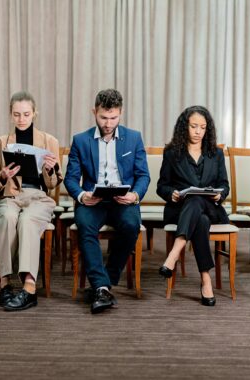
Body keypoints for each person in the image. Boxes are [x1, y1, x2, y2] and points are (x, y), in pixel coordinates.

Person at [64, 88, 150, 314]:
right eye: (103, 117)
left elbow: (143, 175)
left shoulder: (133, 138)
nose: (109, 123)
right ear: (94, 112)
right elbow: (71, 178)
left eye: (113, 117)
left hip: (123, 199)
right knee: (85, 226)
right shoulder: (80, 140)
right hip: (93, 200)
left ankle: (105, 282)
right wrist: (82, 195)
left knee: (131, 226)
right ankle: (101, 286)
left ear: (121, 113)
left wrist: (134, 195)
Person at [0, 91, 62, 311]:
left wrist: (50, 169)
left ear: (34, 113)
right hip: (10, 196)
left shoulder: (49, 141)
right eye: (17, 114)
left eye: (26, 114)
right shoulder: (0, 144)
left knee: (28, 220)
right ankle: (5, 284)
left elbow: (53, 184)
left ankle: (29, 287)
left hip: (38, 196)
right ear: (11, 115)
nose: (21, 119)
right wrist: (2, 176)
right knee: (7, 217)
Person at [157, 105, 230, 306]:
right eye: (194, 126)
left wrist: (220, 195)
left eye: (203, 127)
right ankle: (206, 279)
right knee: (200, 217)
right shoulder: (172, 153)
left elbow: (224, 185)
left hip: (211, 207)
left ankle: (174, 253)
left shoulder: (216, 153)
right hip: (180, 210)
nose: (198, 132)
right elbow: (162, 185)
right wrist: (170, 193)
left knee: (198, 199)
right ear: (184, 127)